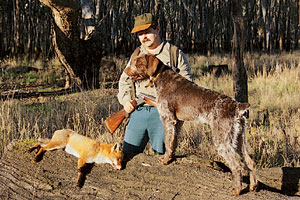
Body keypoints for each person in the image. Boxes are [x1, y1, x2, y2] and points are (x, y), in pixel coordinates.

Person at [117, 13, 192, 157]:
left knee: (163, 156)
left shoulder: (174, 54)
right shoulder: (137, 54)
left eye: (147, 32)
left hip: (163, 114)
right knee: (127, 156)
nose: (144, 36)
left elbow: (188, 87)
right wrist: (126, 101)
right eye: (140, 33)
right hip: (138, 110)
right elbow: (124, 80)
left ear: (157, 29)